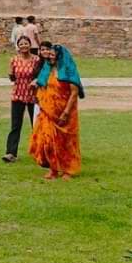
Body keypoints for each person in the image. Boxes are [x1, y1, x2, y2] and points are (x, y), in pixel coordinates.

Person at [30, 41, 83, 179]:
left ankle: (68, 170)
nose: (50, 58)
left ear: (60, 56)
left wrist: (65, 112)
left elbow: (74, 93)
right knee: (48, 141)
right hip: (48, 112)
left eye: (53, 55)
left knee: (65, 142)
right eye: (50, 55)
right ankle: (53, 169)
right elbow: (42, 86)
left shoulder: (68, 69)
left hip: (65, 112)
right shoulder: (47, 69)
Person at [4, 35, 40, 162]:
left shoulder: (36, 60)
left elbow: (40, 75)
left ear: (30, 45)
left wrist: (35, 81)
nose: (24, 46)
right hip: (18, 94)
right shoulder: (14, 60)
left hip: (33, 95)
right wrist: (11, 74)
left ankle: (39, 151)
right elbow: (12, 77)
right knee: (15, 125)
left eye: (26, 43)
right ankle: (11, 153)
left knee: (35, 125)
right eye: (21, 44)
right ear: (18, 46)